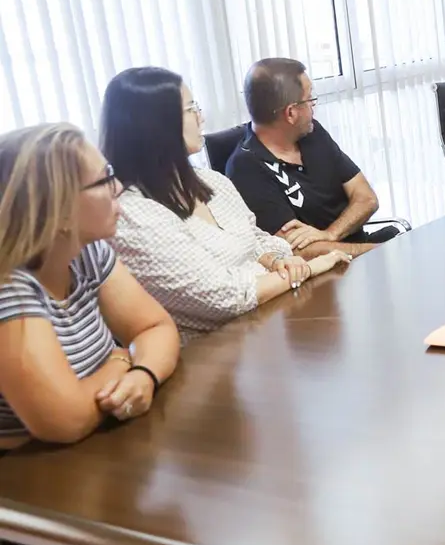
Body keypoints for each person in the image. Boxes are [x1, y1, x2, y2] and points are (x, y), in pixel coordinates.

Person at [0, 123, 182, 545]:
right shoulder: (9, 287)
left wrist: (143, 369)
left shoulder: (88, 253)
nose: (118, 187)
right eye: (104, 179)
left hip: (104, 468)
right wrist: (121, 363)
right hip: (41, 507)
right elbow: (61, 420)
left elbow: (158, 329)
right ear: (57, 207)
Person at [100, 67, 352, 344]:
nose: (201, 117)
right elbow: (224, 298)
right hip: (208, 358)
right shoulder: (132, 215)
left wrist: (278, 261)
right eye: (191, 109)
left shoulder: (211, 181)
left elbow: (257, 239)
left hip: (268, 327)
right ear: (155, 124)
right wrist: (309, 268)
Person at [226, 58, 390, 259]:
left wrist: (330, 234)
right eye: (310, 98)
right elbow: (297, 250)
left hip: (360, 253)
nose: (314, 106)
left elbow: (367, 198)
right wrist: (373, 252)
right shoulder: (246, 168)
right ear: (291, 113)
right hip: (320, 276)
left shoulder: (312, 133)